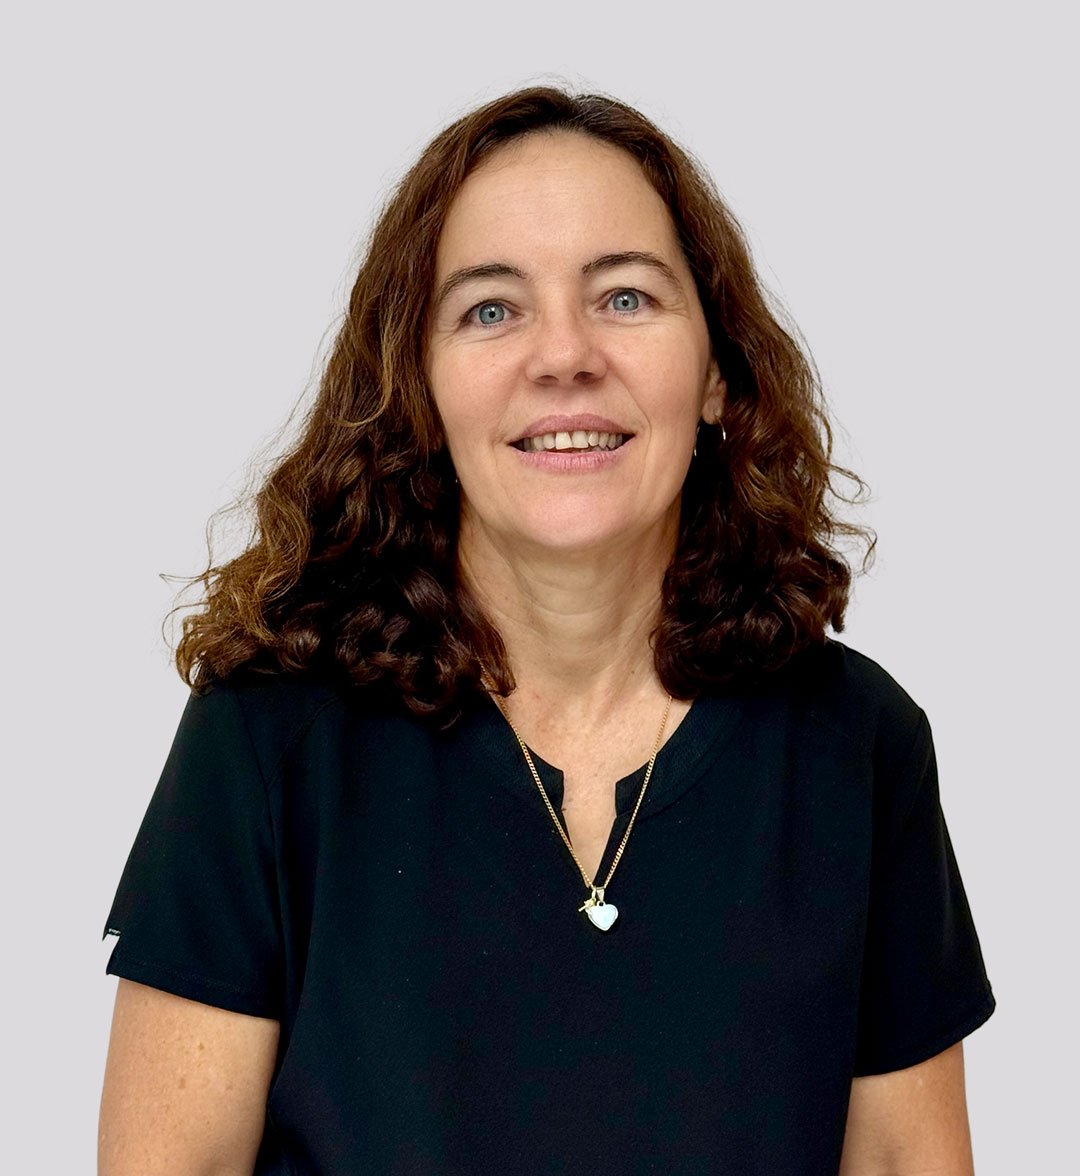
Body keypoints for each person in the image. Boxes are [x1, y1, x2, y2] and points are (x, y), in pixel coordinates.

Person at [98, 86, 996, 1175]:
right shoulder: (266, 742)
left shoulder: (859, 749)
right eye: (491, 309)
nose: (563, 355)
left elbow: (911, 1162)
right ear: (418, 388)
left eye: (624, 297)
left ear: (715, 371)